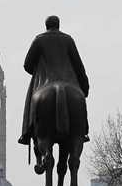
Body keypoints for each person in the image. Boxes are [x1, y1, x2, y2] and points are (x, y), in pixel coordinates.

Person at [18, 15, 90, 147]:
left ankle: (27, 133)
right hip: (69, 82)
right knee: (80, 105)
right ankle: (83, 131)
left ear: (46, 26)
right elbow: (79, 66)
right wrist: (84, 87)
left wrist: (38, 72)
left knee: (31, 104)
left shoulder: (39, 40)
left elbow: (27, 64)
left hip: (45, 82)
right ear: (58, 25)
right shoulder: (68, 40)